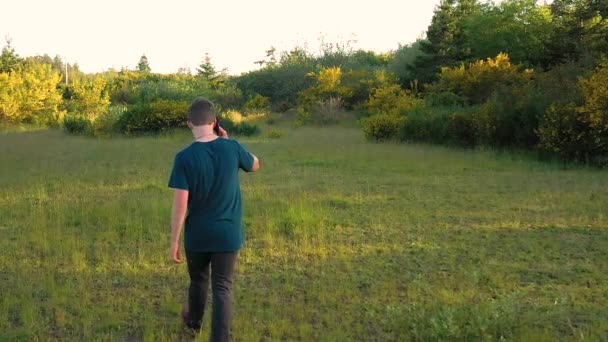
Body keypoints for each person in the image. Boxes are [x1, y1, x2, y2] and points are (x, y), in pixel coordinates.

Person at [168, 97, 260, 341]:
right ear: (215, 122)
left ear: (190, 123)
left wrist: (174, 241)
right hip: (227, 234)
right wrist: (229, 142)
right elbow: (255, 165)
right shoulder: (232, 147)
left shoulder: (184, 157)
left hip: (197, 235)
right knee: (223, 288)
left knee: (198, 281)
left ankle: (194, 324)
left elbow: (180, 203)